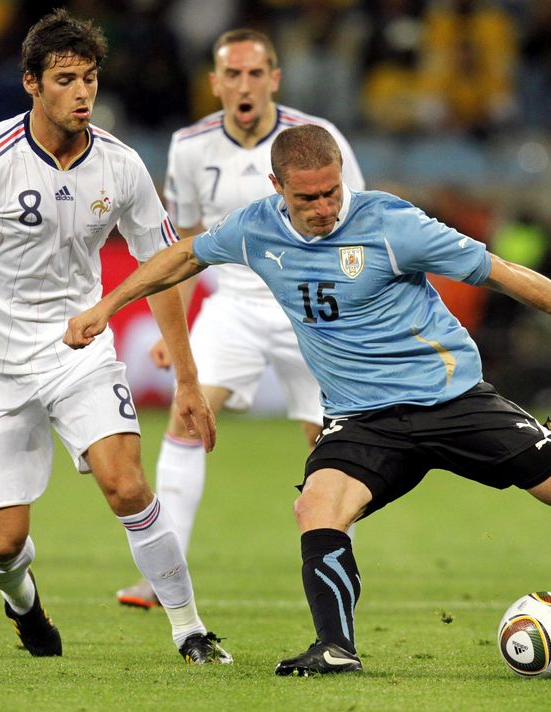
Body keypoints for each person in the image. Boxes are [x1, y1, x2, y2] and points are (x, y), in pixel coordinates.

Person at [65, 124, 551, 675]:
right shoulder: (255, 228)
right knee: (316, 506)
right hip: (364, 421)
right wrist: (109, 304)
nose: (326, 207)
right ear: (278, 191)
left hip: (451, 400)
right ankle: (336, 647)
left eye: (333, 192)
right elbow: (183, 256)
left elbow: (504, 273)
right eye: (309, 199)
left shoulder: (393, 224)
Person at [0, 9, 231, 662]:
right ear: (31, 84)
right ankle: (23, 604)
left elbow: (166, 265)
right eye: (66, 79)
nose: (81, 93)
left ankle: (189, 628)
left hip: (77, 351)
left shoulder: (122, 168)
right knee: (6, 541)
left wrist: (187, 378)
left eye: (90, 79)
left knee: (127, 485)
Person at [115, 28, 365, 610]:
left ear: (275, 78)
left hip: (311, 307)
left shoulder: (317, 140)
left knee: (326, 442)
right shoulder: (190, 146)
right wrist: (169, 328)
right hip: (234, 303)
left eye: (256, 73)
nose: (245, 85)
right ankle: (162, 574)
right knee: (185, 416)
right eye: (233, 74)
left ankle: (335, 576)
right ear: (215, 82)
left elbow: (357, 222)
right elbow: (185, 243)